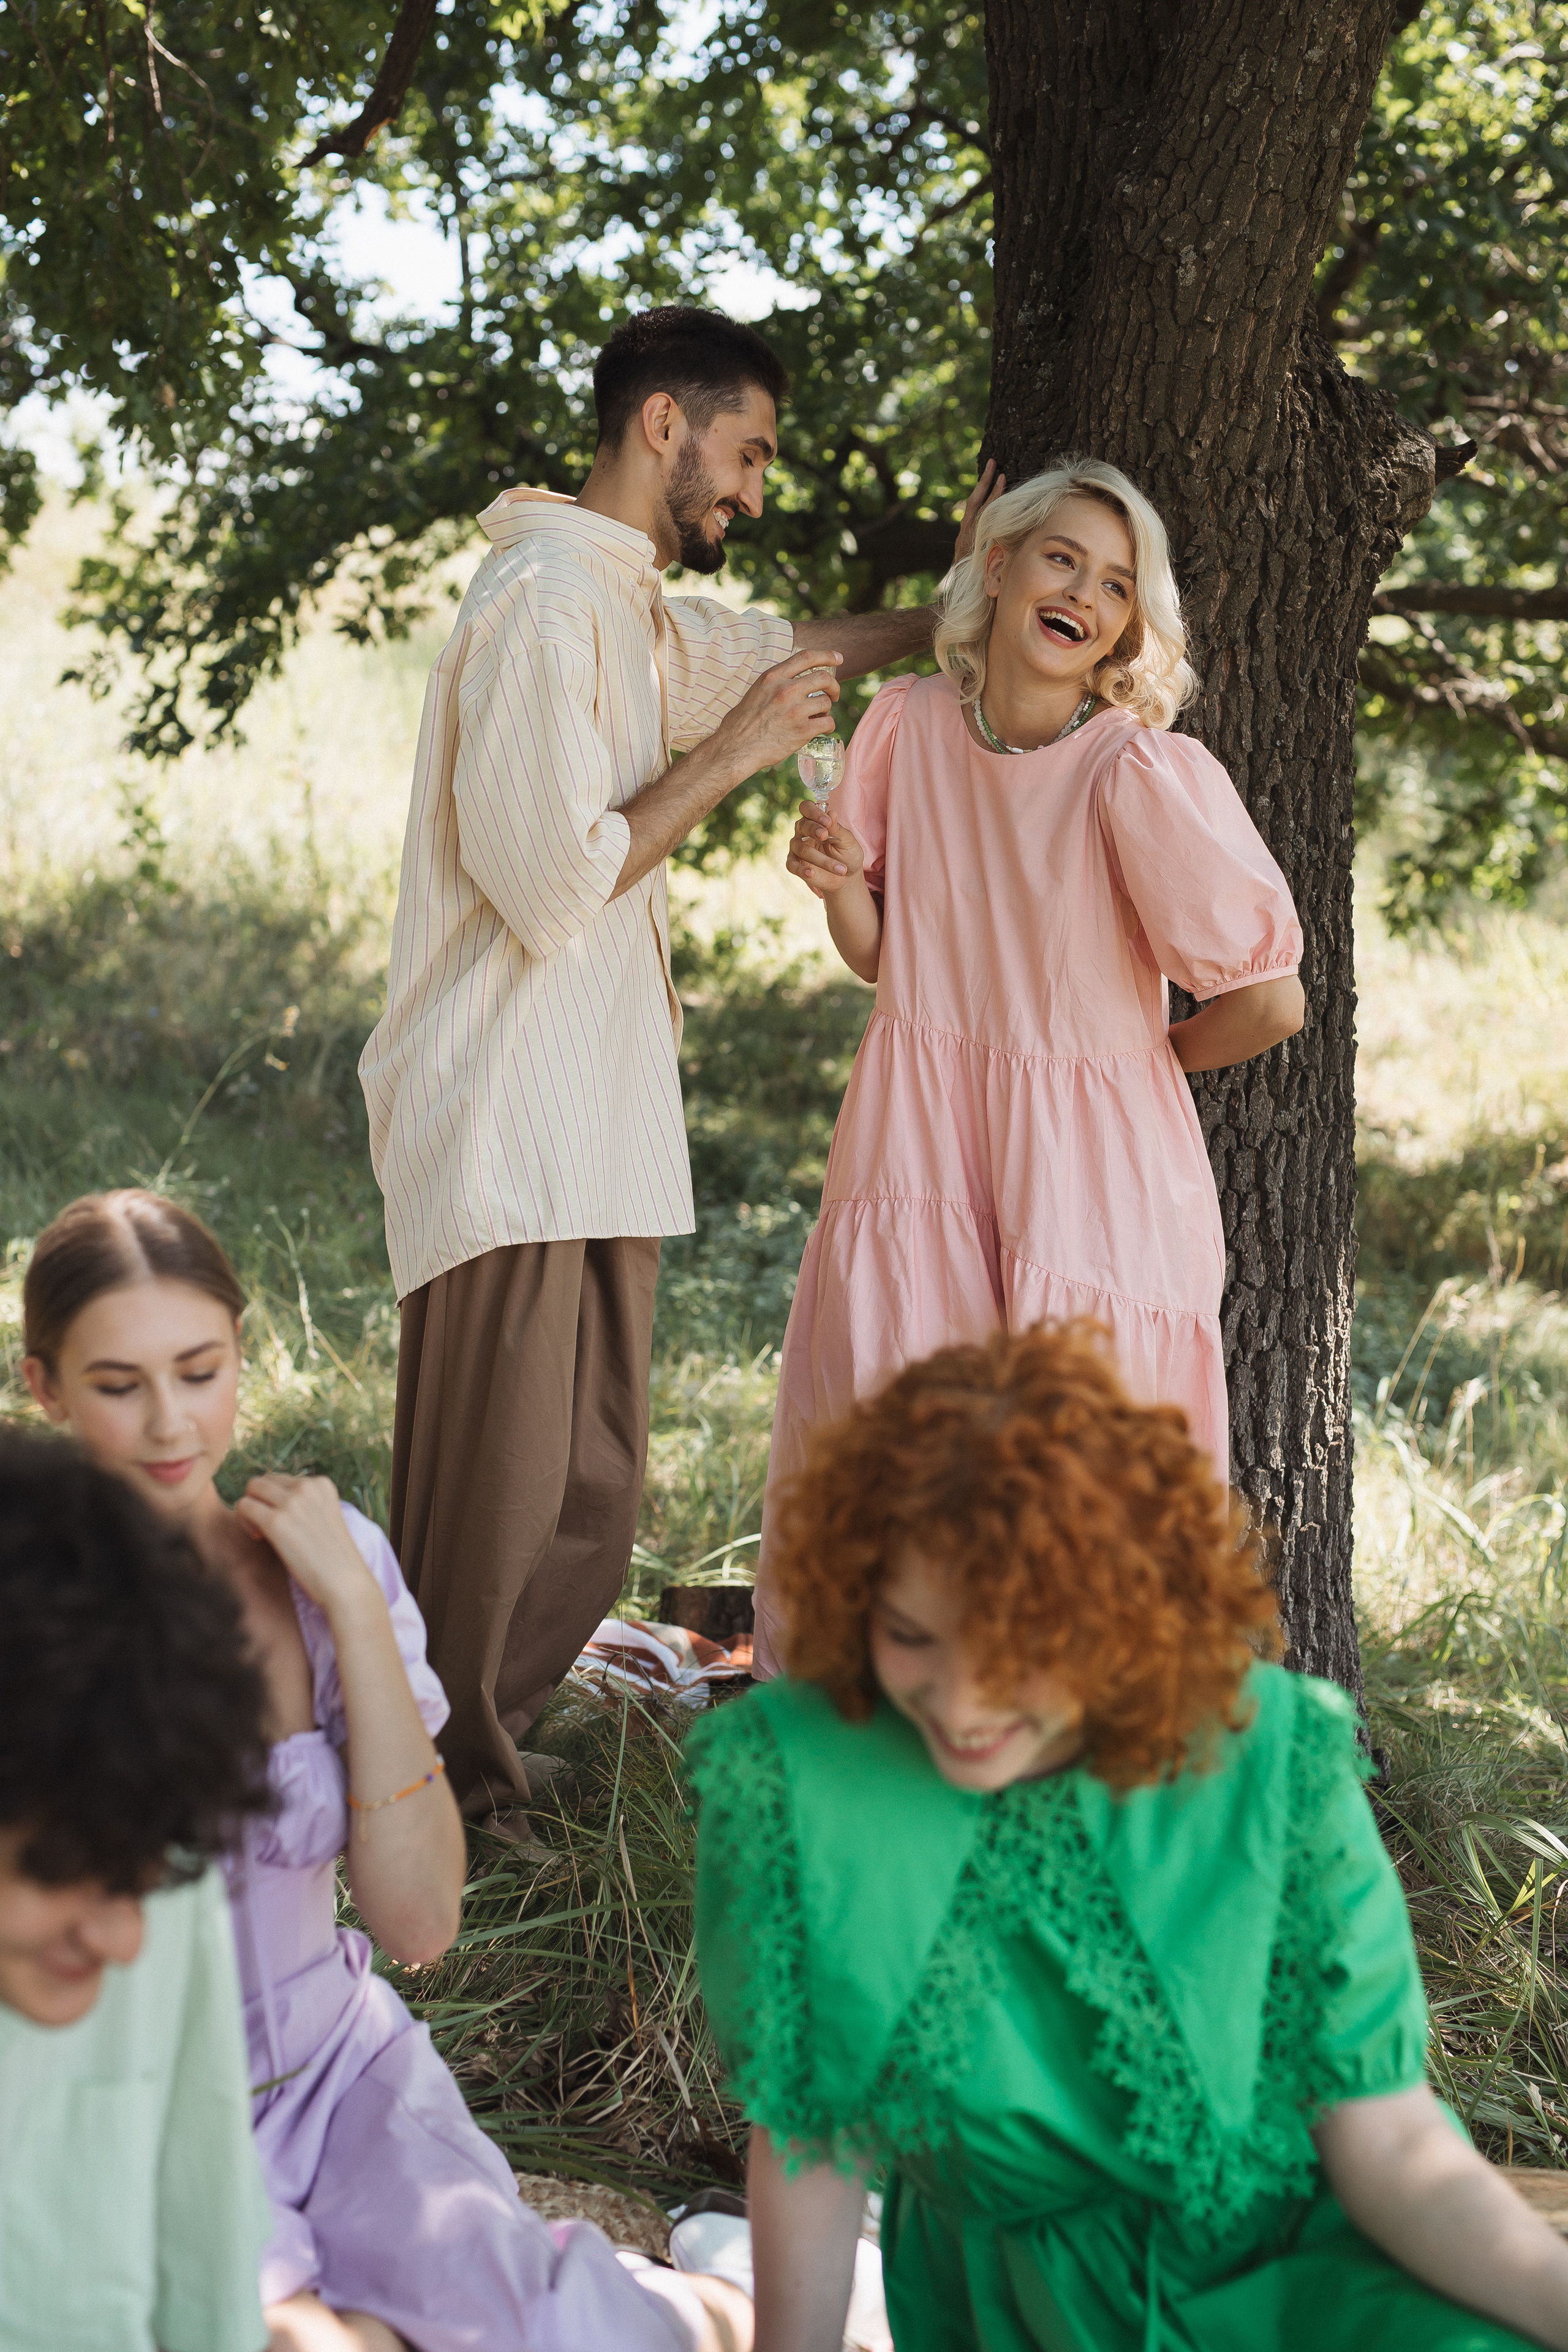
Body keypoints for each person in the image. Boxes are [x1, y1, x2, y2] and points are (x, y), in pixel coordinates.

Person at [358, 301, 1001, 1826]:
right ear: (665, 424)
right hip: (505, 1115)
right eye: (750, 450)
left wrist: (954, 604)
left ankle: (489, 1761)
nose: (757, 490)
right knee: (497, 1498)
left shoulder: (631, 605)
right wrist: (726, 763)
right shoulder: (538, 606)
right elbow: (548, 883)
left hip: (596, 1124)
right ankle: (428, 1808)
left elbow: (801, 653)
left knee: (586, 1493)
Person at [688, 1321, 1568, 2352]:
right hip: (1015, 2308)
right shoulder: (801, 1781)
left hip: (1303, 2275)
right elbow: (811, 2141)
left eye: (1020, 1655)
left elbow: (1389, 2140)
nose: (964, 1706)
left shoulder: (1273, 1761)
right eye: (912, 1638)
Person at [22, 1188, 753, 2352]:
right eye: (119, 1386)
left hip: (339, 2073)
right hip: (134, 2106)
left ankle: (712, 2293)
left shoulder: (325, 1571)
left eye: (201, 1371)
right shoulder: (31, 1612)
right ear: (44, 1388)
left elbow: (419, 1922)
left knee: (554, 2330)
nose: (171, 1424)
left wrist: (357, 1611)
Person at [756, 455, 1305, 1675]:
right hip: (921, 1136)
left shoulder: (1132, 771)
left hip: (1090, 1173)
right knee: (905, 1445)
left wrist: (1126, 1065)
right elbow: (881, 964)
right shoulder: (901, 724)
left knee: (1067, 1490)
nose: (1086, 596)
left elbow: (1267, 1002)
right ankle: (895, 1776)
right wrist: (843, 890)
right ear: (995, 569)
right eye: (1061, 559)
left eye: (1117, 585)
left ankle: (1070, 1801)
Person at [0, 1427, 273, 2352]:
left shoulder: (154, 1865)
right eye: (62, 1874)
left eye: (147, 1876)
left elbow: (205, 2222)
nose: (124, 1943)